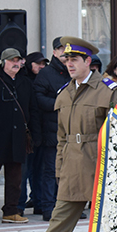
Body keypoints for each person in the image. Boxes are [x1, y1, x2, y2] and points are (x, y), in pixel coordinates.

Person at [9, 38, 117, 232]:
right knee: (60, 218)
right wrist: (59, 168)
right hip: (73, 165)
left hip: (102, 165)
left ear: (89, 61)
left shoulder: (109, 90)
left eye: (75, 60)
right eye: (66, 60)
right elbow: (62, 138)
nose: (69, 65)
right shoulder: (65, 92)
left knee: (113, 218)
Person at [0, 49, 40, 226]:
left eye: (18, 60)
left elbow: (32, 110)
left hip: (17, 139)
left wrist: (35, 135)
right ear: (4, 62)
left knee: (15, 178)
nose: (16, 63)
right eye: (12, 60)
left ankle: (11, 211)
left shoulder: (26, 84)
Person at [33, 37, 70, 221]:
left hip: (71, 131)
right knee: (50, 171)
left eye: (67, 49)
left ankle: (66, 207)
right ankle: (48, 207)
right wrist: (59, 104)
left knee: (68, 171)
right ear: (54, 52)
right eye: (61, 49)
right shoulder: (46, 74)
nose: (64, 53)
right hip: (51, 130)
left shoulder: (73, 71)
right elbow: (38, 98)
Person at [18, 52, 47, 215]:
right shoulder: (24, 81)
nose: (41, 67)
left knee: (39, 170)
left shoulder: (42, 80)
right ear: (30, 64)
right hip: (26, 135)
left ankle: (39, 201)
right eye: (38, 64)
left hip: (41, 133)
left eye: (43, 64)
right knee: (24, 171)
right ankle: (19, 205)